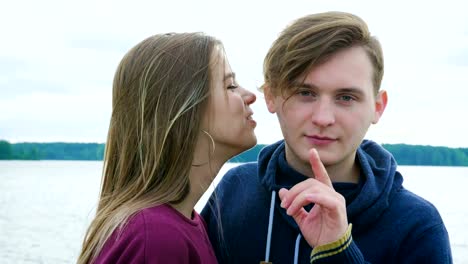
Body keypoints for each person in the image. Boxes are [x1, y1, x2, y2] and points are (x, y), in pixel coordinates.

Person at [202, 11, 452, 264]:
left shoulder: (416, 226)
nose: (323, 118)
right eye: (305, 93)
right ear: (271, 95)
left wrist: (339, 250)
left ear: (378, 107)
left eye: (346, 98)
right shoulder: (234, 191)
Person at [77, 32, 257, 263]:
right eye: (230, 85)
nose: (250, 96)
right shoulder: (156, 238)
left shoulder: (182, 224)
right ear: (185, 109)